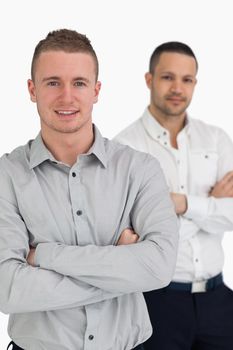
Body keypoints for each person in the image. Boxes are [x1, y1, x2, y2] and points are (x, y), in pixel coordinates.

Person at [0, 30, 178, 350]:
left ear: (96, 91)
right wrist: (122, 270)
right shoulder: (6, 176)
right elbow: (8, 289)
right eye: (53, 82)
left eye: (79, 83)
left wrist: (44, 255)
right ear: (32, 89)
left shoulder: (140, 169)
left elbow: (159, 268)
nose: (67, 97)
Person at [114, 41, 233, 349]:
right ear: (149, 79)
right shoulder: (125, 149)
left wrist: (181, 205)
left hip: (219, 300)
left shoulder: (217, 139)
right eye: (168, 77)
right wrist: (213, 204)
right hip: (158, 303)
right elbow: (139, 241)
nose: (178, 87)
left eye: (187, 79)